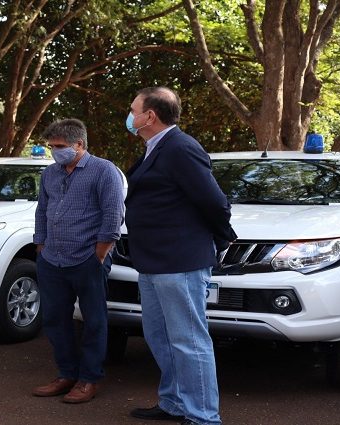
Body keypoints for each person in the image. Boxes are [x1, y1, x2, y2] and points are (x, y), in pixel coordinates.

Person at [125, 87, 237, 425]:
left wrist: (219, 239)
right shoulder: (155, 149)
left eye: (133, 110)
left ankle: (203, 416)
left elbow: (215, 203)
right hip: (153, 261)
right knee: (160, 338)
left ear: (150, 116)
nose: (129, 116)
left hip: (180, 261)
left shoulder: (180, 147)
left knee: (188, 340)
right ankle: (174, 403)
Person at [31, 118, 125, 404]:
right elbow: (42, 210)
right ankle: (66, 374)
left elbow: (113, 215)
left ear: (79, 144)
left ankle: (89, 379)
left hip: (87, 259)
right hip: (52, 259)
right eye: (52, 147)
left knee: (94, 320)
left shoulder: (103, 170)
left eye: (59, 146)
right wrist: (40, 246)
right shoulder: (50, 173)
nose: (55, 152)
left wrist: (99, 254)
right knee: (54, 319)